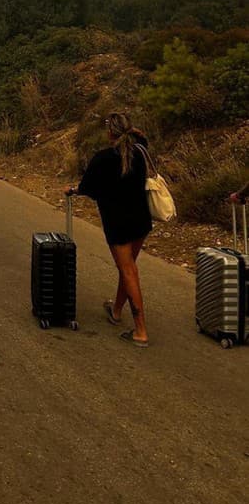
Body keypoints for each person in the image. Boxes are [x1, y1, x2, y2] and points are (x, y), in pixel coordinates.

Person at [66, 111, 152, 347]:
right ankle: (116, 311)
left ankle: (140, 331)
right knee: (128, 268)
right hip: (141, 220)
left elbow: (88, 189)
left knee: (128, 271)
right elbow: (142, 138)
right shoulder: (140, 151)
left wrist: (73, 190)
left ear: (109, 133)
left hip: (118, 223)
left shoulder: (103, 158)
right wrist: (133, 132)